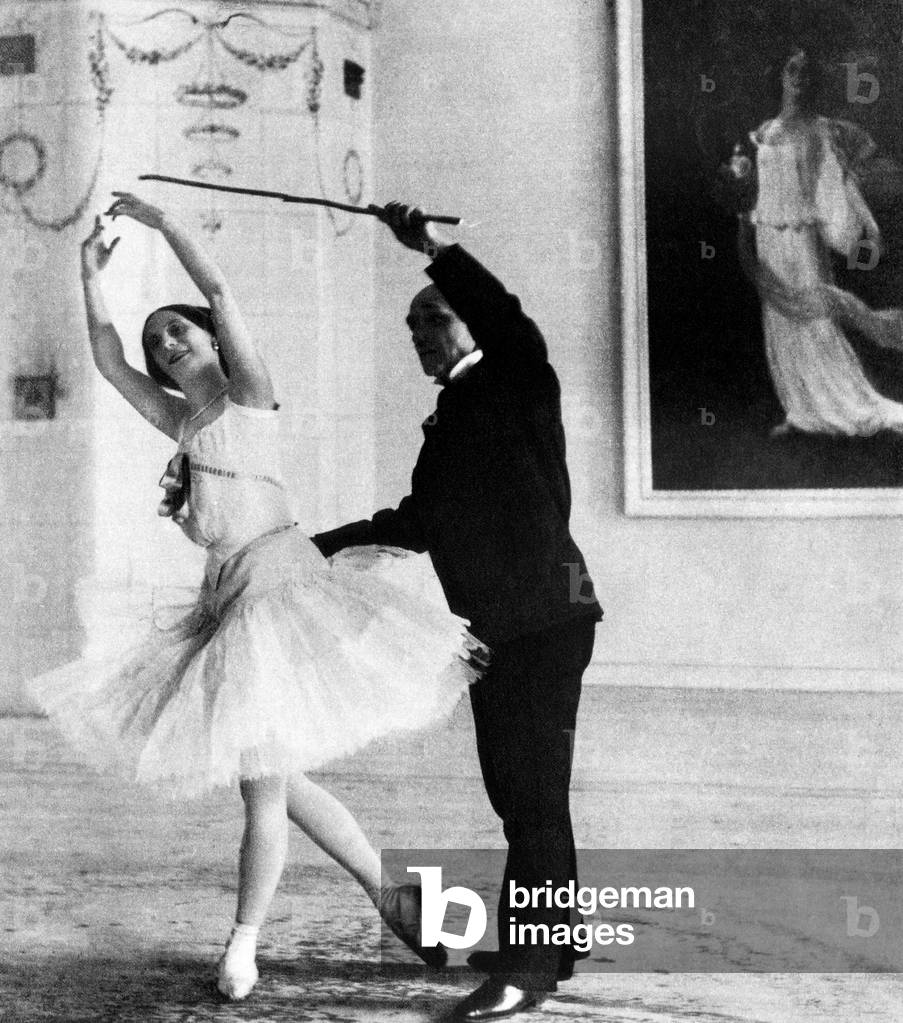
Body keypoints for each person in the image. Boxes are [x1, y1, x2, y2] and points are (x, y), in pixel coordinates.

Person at [29, 195, 488, 1002]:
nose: (164, 343)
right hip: (229, 598)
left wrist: (163, 225)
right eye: (156, 340)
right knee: (275, 772)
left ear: (212, 336)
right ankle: (394, 897)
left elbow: (221, 289)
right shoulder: (181, 420)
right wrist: (88, 274)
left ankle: (243, 946)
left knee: (263, 786)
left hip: (281, 594)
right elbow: (107, 360)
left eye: (177, 328)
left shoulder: (248, 394)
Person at [312, 202, 603, 1021]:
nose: (420, 334)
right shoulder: (451, 416)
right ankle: (555, 943)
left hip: (542, 621)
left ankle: (527, 971)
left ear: (471, 322)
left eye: (433, 317)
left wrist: (434, 250)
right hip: (503, 628)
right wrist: (313, 545)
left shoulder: (517, 378)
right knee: (528, 795)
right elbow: (416, 521)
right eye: (411, 325)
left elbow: (507, 318)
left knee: (529, 798)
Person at [739, 48, 903, 436]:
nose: (799, 77)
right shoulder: (766, 130)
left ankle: (846, 404)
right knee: (780, 323)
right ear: (782, 75)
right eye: (792, 69)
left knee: (816, 322)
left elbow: (833, 186)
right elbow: (760, 187)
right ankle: (800, 410)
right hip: (769, 237)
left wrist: (863, 227)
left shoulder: (818, 130)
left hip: (802, 237)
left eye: (806, 72)